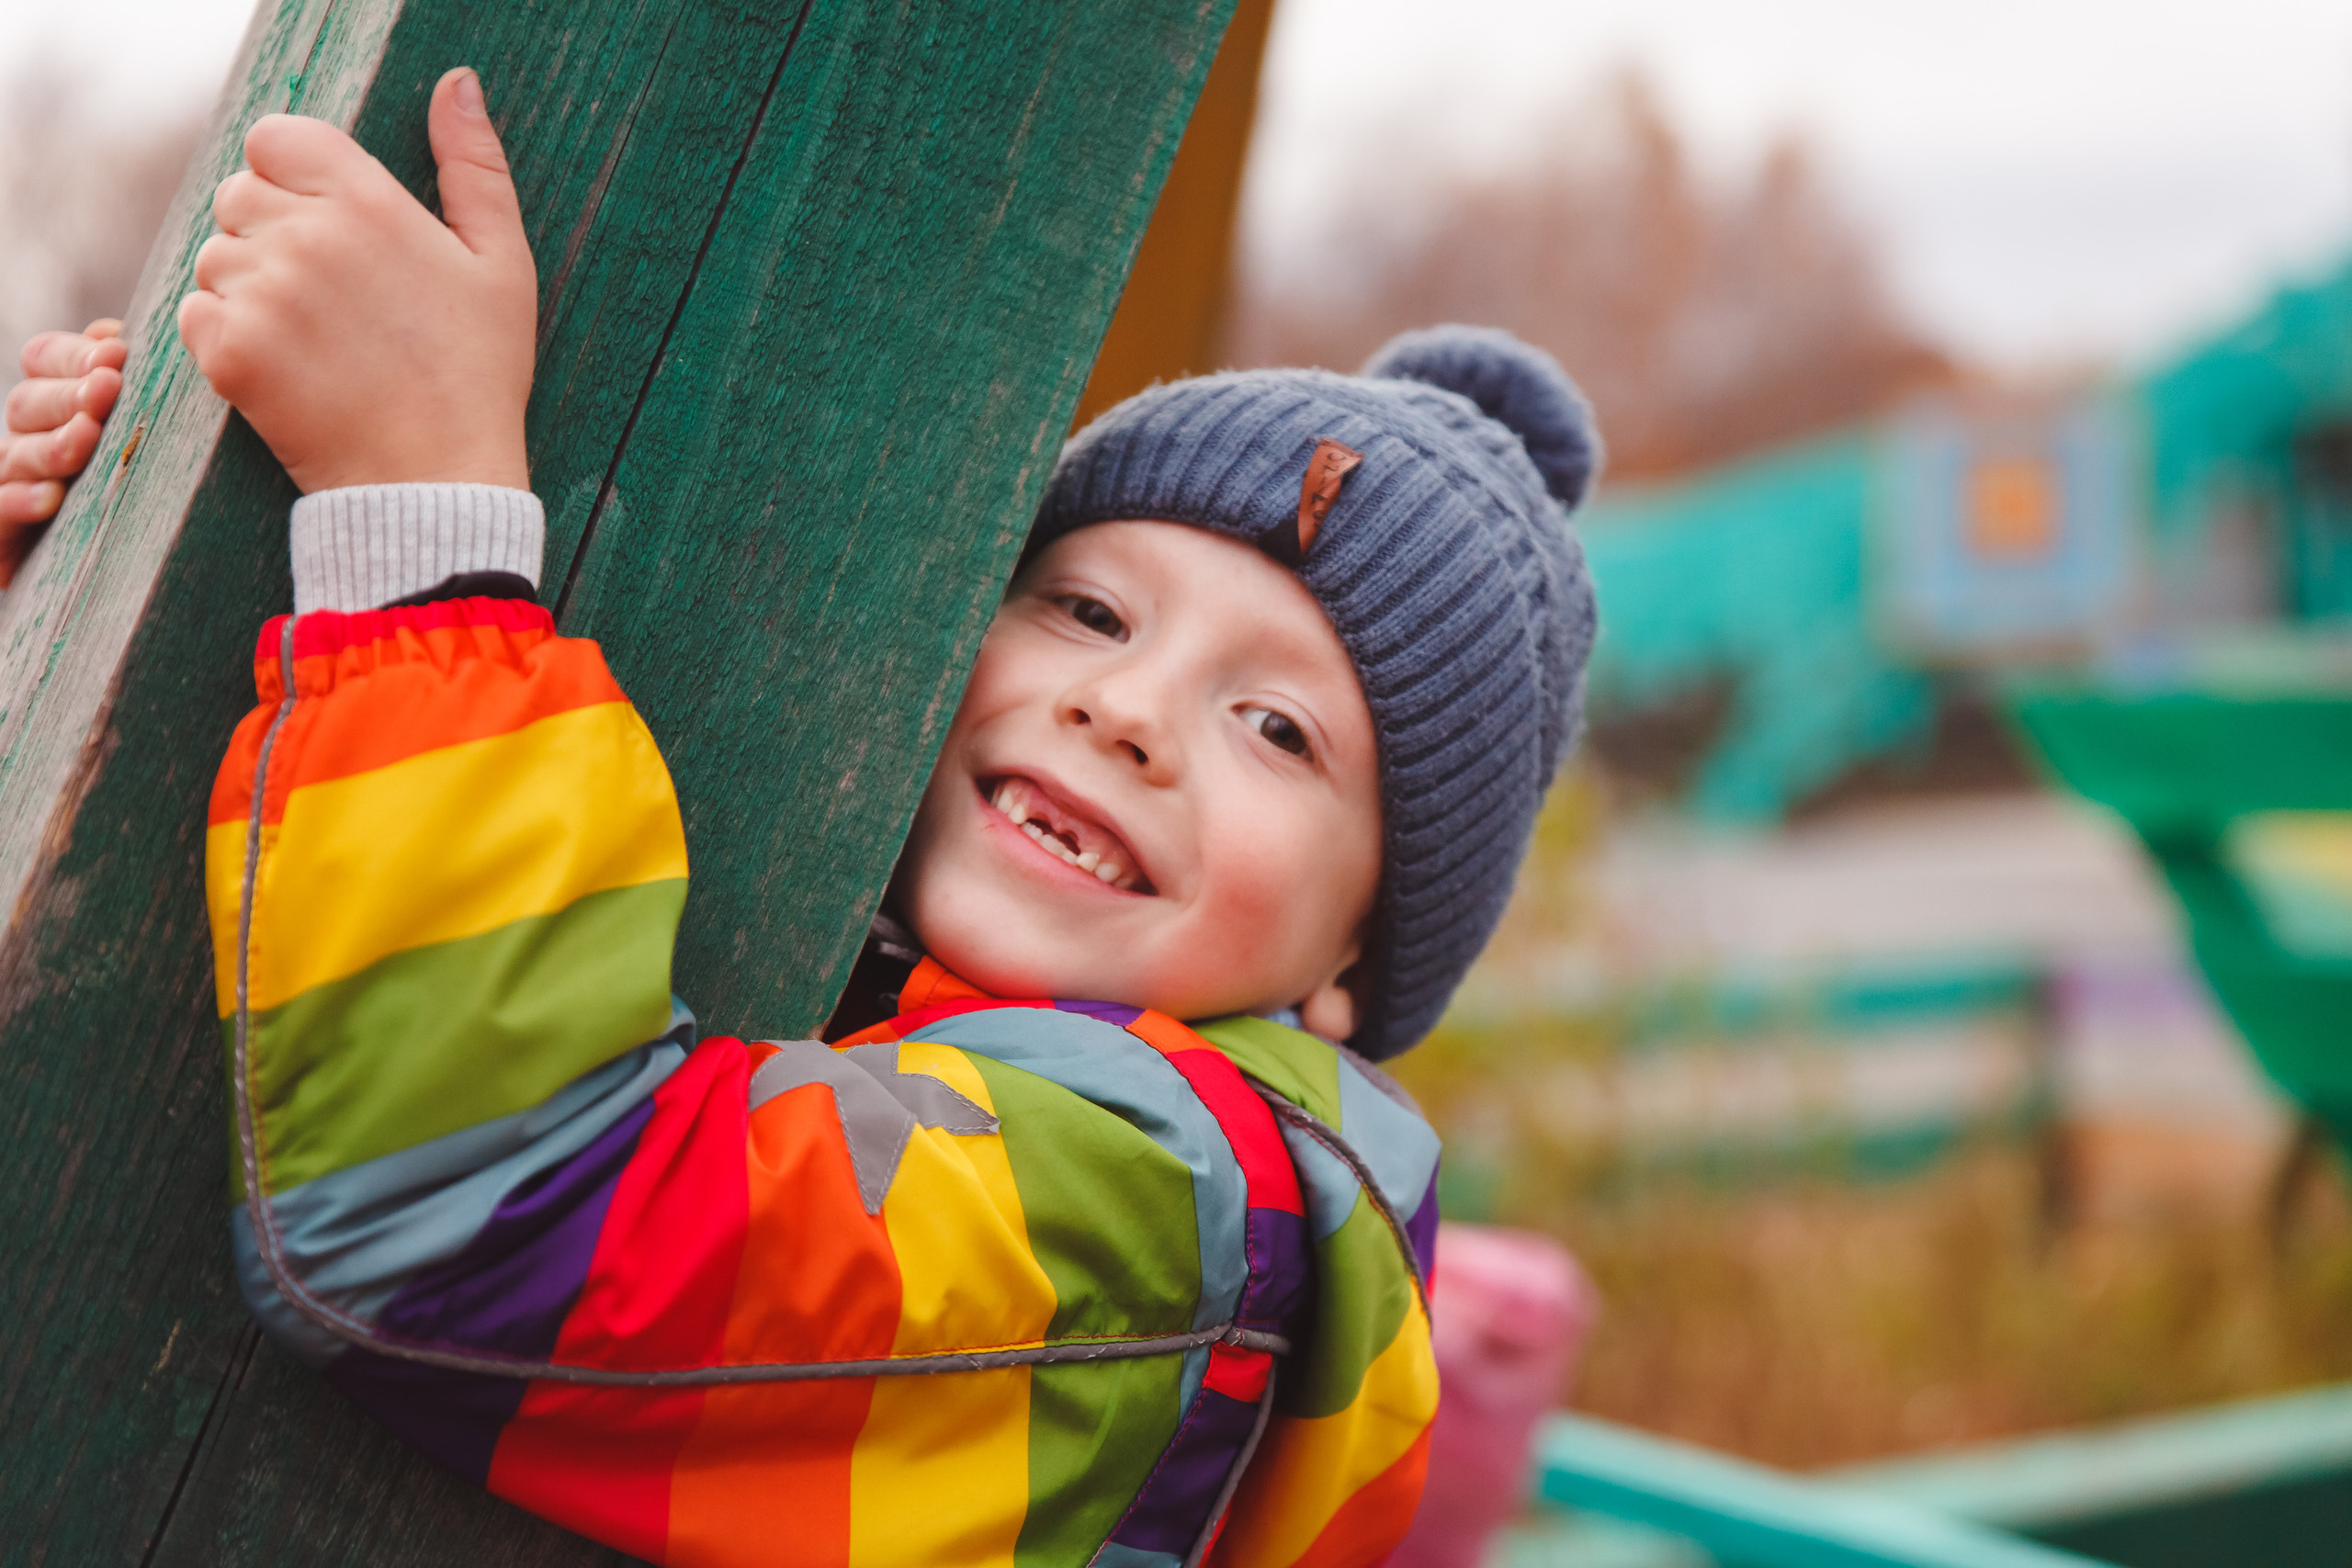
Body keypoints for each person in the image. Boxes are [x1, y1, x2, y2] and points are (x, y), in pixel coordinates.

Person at [17, 66, 1599, 1568]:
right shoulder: (891, 1002)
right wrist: (60, 652)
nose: (1125, 710)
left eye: (1277, 730)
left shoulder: (1161, 1204)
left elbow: (481, 1218)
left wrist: (417, 518)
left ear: (1352, 962)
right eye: (1090, 611)